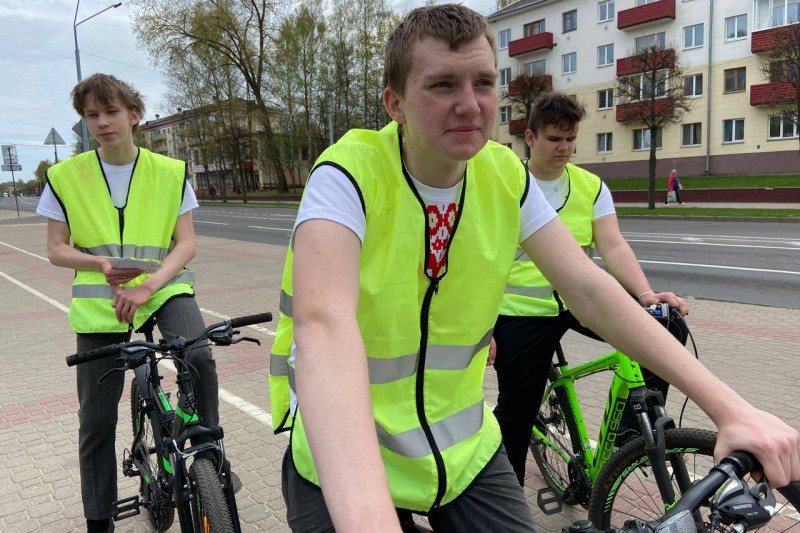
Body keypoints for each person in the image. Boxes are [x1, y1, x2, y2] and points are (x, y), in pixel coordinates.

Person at [268, 5, 800, 533]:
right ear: (396, 104)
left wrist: (730, 409)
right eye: (442, 85)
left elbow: (587, 288)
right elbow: (324, 328)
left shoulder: (502, 174)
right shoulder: (348, 173)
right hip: (347, 453)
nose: (469, 104)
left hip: (460, 454)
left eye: (483, 82)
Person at [36, 73, 219, 533]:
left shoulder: (170, 171)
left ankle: (209, 456)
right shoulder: (64, 177)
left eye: (111, 111)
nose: (101, 122)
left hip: (162, 288)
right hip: (100, 301)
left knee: (199, 355)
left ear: (133, 114)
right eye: (91, 115)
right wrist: (98, 264)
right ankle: (98, 519)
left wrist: (149, 285)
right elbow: (56, 249)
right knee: (96, 420)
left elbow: (186, 244)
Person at [492, 92, 689, 486]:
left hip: (579, 302)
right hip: (519, 313)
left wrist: (646, 295)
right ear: (530, 137)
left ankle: (630, 436)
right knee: (516, 415)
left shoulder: (590, 186)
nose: (564, 148)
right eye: (554, 139)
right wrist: (483, 327)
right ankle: (504, 501)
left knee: (666, 324)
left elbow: (612, 245)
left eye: (570, 139)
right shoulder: (503, 184)